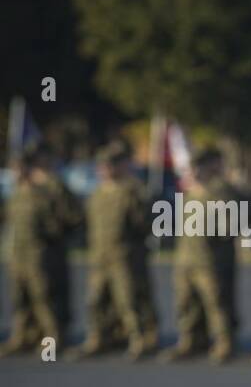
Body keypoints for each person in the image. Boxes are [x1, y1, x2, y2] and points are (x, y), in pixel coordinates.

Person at [70, 141, 158, 360]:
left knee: (130, 300)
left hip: (126, 257)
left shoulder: (133, 191)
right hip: (100, 256)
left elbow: (144, 224)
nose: (105, 169)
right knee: (96, 300)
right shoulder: (97, 193)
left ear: (123, 165)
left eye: (110, 165)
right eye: (102, 166)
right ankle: (99, 338)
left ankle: (140, 339)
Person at [0, 144, 80, 357]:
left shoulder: (46, 192)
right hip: (18, 255)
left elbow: (65, 221)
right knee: (20, 299)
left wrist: (51, 239)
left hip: (41, 256)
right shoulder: (16, 195)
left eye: (20, 168)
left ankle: (51, 343)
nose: (17, 172)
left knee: (45, 300)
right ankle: (21, 337)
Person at [160, 147, 238, 364]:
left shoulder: (221, 191)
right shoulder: (189, 192)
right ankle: (190, 341)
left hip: (209, 261)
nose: (193, 173)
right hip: (186, 259)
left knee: (216, 304)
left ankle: (224, 343)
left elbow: (229, 227)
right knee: (186, 304)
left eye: (197, 168)